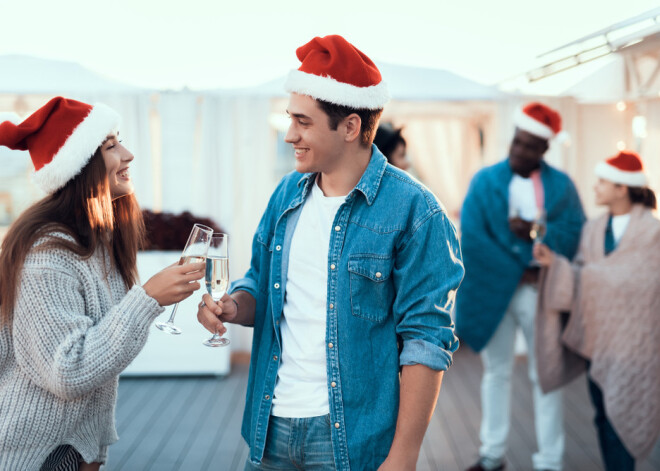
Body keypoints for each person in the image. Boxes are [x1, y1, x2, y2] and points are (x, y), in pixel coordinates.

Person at [197, 34, 464, 471]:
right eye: (290, 119)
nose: (289, 135)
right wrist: (233, 305)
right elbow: (260, 283)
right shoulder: (285, 195)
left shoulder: (417, 212)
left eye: (303, 122)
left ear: (351, 126)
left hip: (353, 442)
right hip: (270, 429)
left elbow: (426, 341)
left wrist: (403, 457)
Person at [0, 97, 205, 470]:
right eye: (110, 146)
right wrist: (146, 299)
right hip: (36, 455)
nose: (127, 154)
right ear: (79, 167)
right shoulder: (47, 257)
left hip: (73, 450)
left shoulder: (96, 242)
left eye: (120, 141)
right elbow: (69, 371)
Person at [455, 102, 585, 471]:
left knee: (546, 373)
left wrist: (534, 231)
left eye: (530, 145)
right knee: (496, 371)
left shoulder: (562, 186)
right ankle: (492, 454)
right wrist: (518, 268)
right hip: (496, 290)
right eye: (517, 142)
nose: (519, 151)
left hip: (539, 292)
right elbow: (474, 240)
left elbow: (576, 232)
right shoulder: (485, 180)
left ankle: (550, 460)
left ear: (544, 149)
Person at [534, 150, 660, 471]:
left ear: (622, 188)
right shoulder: (592, 229)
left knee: (626, 412)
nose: (595, 187)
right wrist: (556, 265)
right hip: (598, 341)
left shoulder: (652, 232)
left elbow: (644, 282)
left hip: (637, 345)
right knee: (603, 415)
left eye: (602, 182)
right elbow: (581, 274)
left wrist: (592, 277)